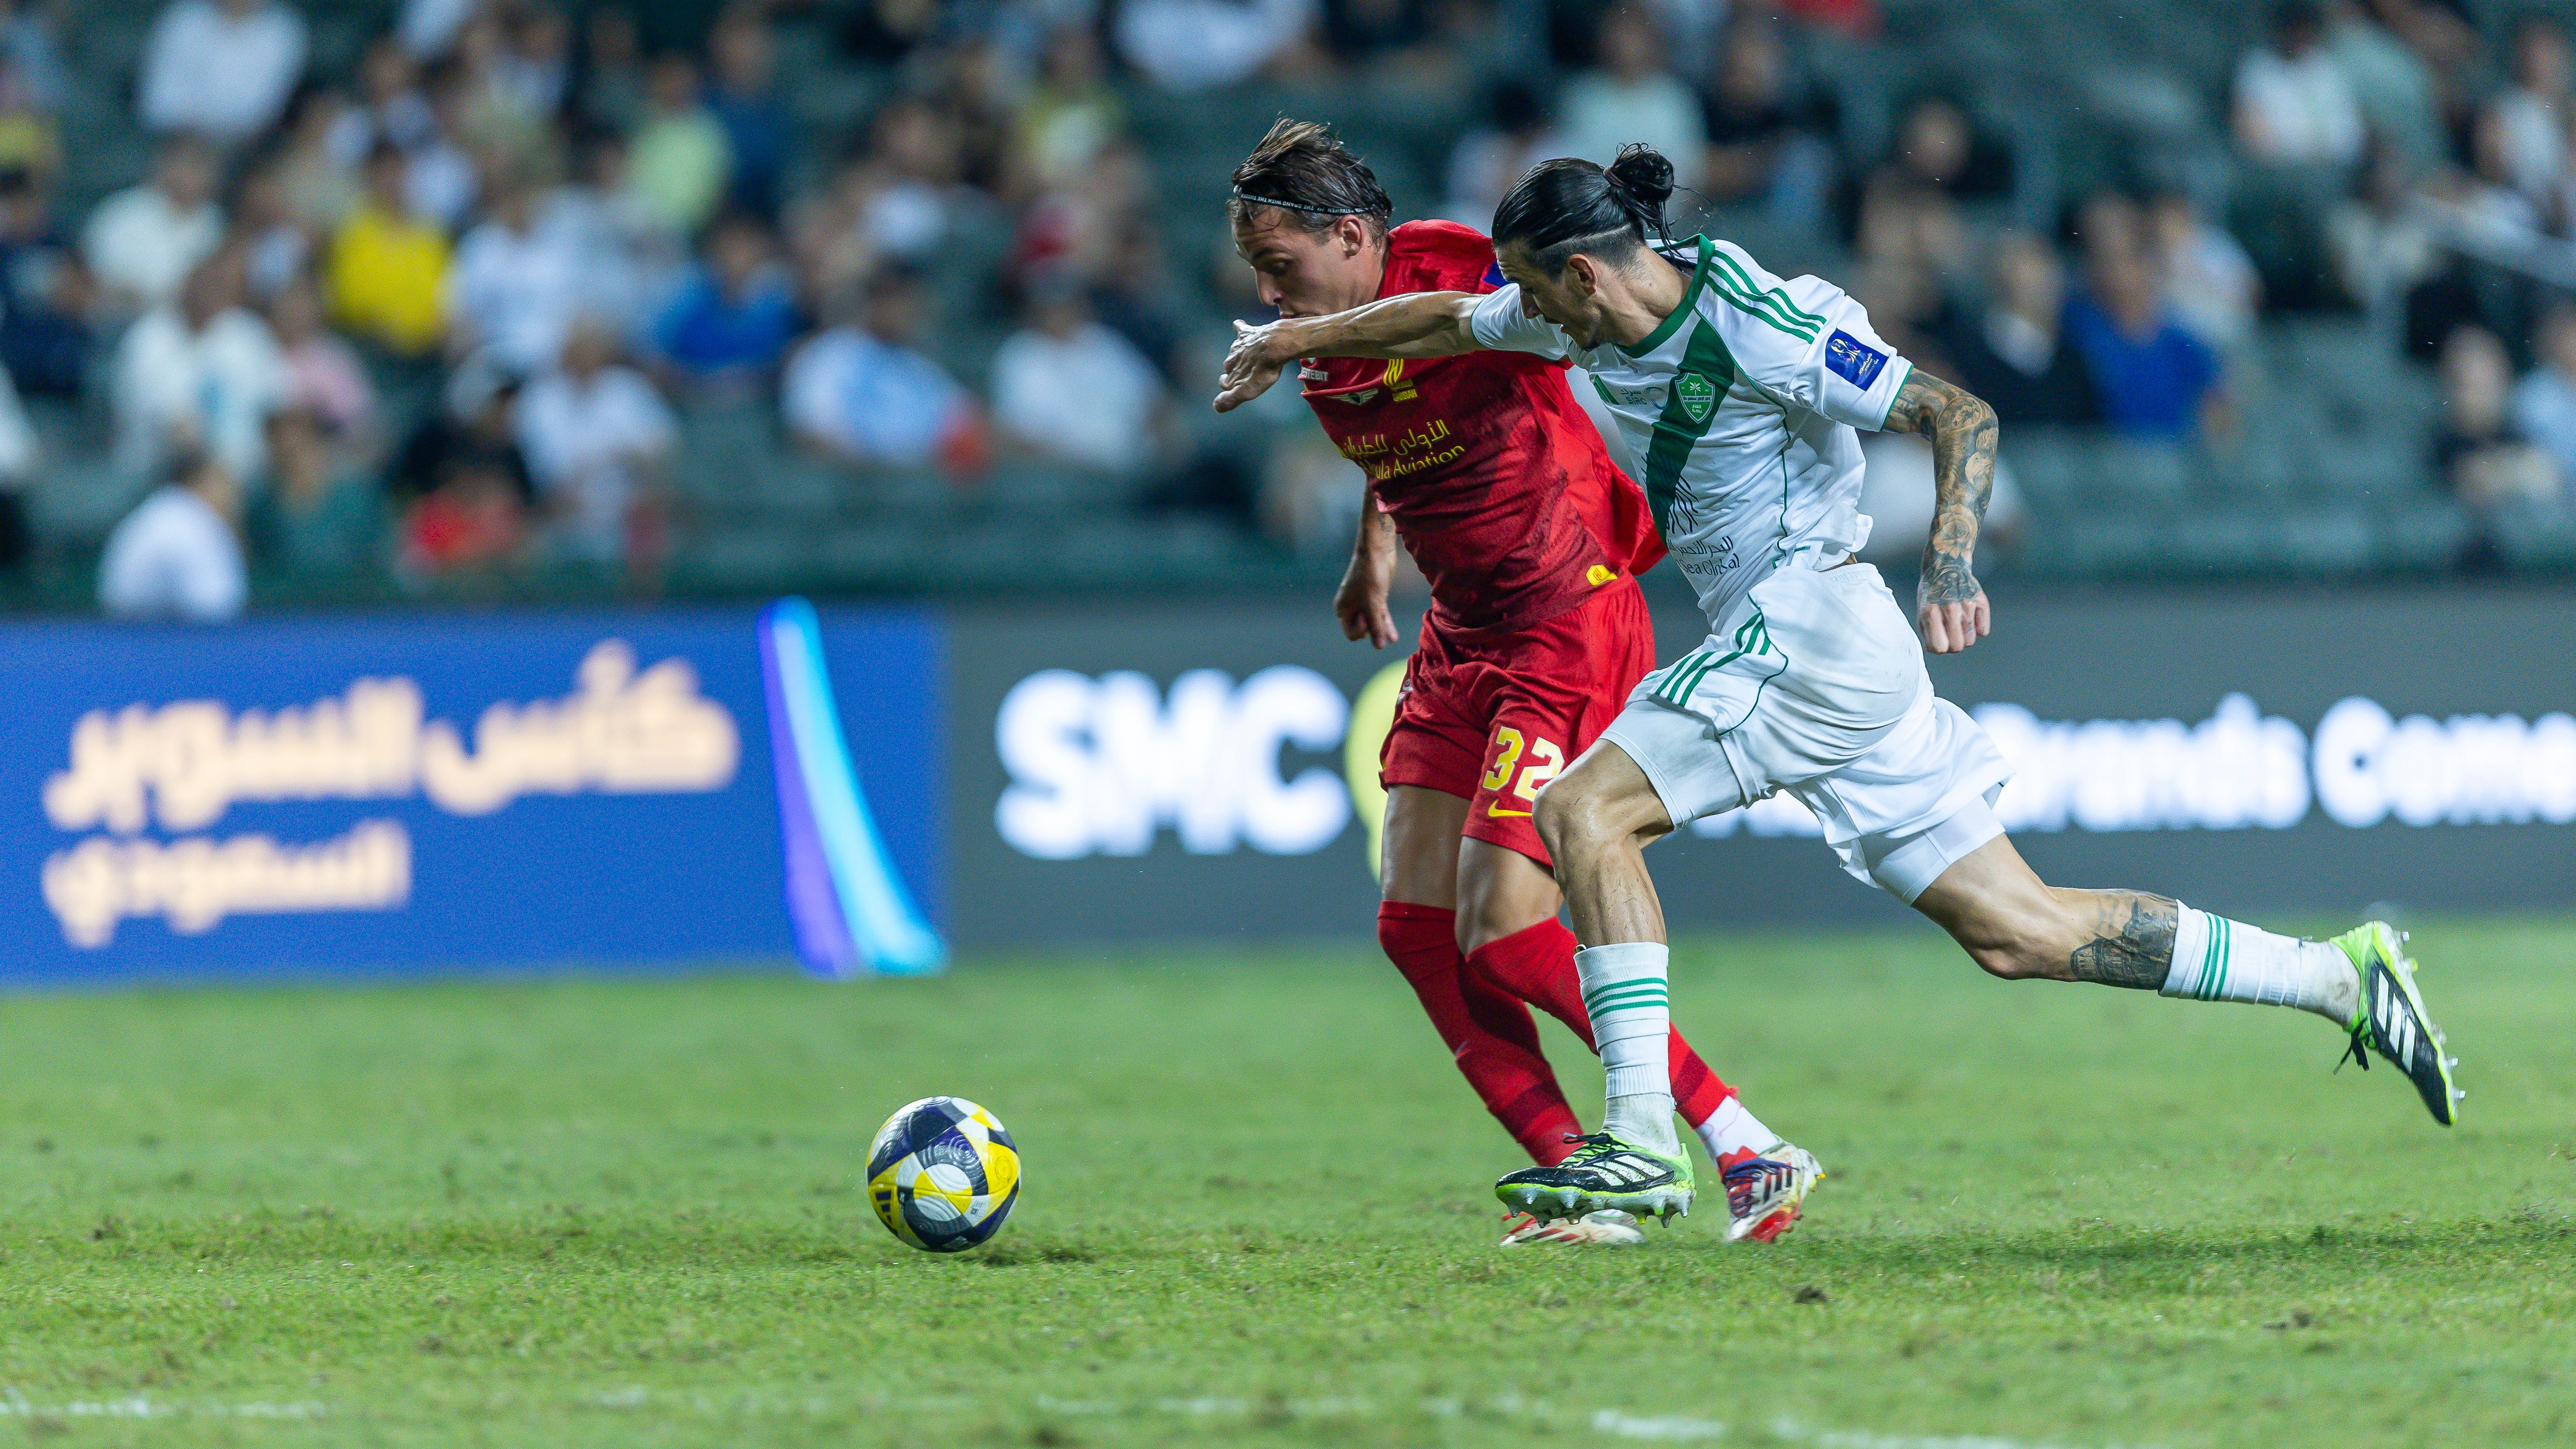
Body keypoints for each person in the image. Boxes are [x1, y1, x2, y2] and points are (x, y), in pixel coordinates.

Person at [1217, 145, 2461, 1225]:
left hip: (1810, 627)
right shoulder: (1571, 307)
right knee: (2017, 929)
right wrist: (1294, 338)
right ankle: (2339, 976)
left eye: (1546, 302)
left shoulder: (1764, 323)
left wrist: (1953, 559)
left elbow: (1956, 412)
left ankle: (1644, 1141)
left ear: (1584, 276)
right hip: (1817, 661)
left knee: (1581, 813)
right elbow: (1437, 322)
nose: (1538, 327)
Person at [1216, 120, 1816, 1247]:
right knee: (1413, 926)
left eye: (1280, 264)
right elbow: (1401, 421)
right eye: (1256, 271)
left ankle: (1745, 1141)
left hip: (1565, 613)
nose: (1265, 289)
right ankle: (1585, 1185)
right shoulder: (1315, 337)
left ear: (1354, 236)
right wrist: (1374, 548)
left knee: (1502, 925)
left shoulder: (1452, 264)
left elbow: (1565, 327)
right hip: (1463, 628)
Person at [98, 447, 246, 622]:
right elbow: (219, 608)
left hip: (130, 632)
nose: (233, 495)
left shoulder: (162, 511)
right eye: (223, 482)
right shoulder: (189, 521)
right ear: (200, 481)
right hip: (161, 638)